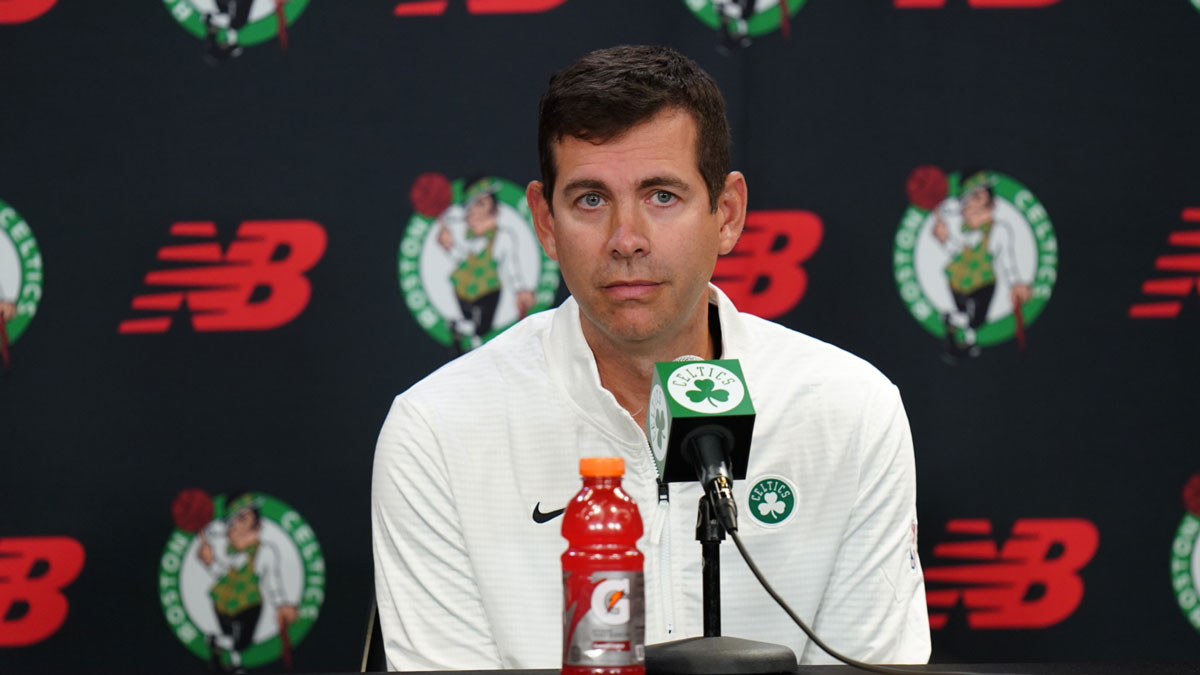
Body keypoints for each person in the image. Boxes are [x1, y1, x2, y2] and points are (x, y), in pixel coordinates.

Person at [372, 45, 930, 670]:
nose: (626, 239)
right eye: (590, 199)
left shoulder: (848, 409)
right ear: (545, 222)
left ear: (727, 213)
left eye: (661, 195)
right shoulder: (437, 429)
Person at [931, 172, 1033, 359]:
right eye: (967, 199)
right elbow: (959, 252)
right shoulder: (963, 230)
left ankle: (963, 335)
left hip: (983, 283)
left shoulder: (1000, 230)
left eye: (977, 197)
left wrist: (1015, 282)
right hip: (957, 281)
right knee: (964, 315)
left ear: (991, 203)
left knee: (976, 320)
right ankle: (958, 334)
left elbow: (1007, 259)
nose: (969, 206)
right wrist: (944, 239)